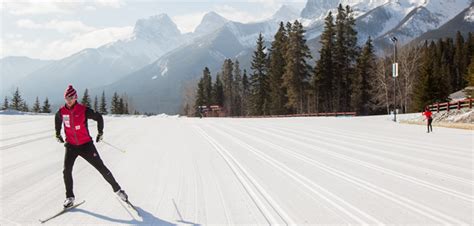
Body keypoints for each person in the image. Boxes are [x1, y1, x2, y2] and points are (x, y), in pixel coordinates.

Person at [55, 85, 128, 208]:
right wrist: (57, 133)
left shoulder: (83, 110)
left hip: (86, 145)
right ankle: (70, 197)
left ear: (75, 97)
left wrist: (100, 133)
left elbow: (99, 117)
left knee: (101, 167)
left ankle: (118, 190)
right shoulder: (62, 111)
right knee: (66, 170)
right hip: (71, 146)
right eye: (67, 98)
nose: (69, 100)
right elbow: (57, 119)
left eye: (71, 97)